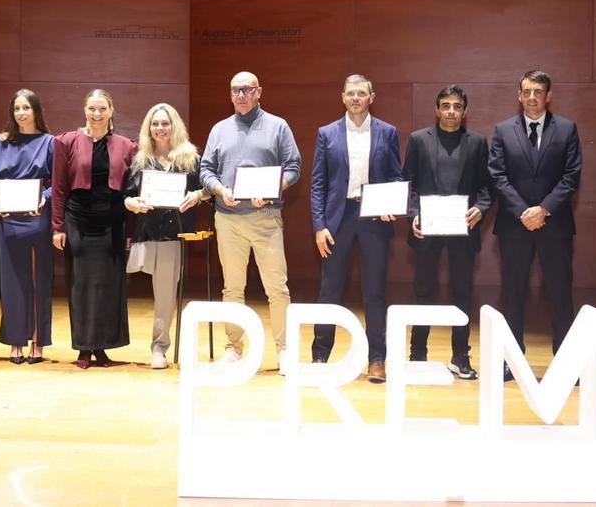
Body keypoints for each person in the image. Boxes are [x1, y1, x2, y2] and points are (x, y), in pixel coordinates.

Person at [199, 71, 301, 374]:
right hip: (228, 220)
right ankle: (233, 348)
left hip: (266, 219)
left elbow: (294, 168)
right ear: (230, 95)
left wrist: (273, 191)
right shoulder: (219, 130)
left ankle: (284, 351)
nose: (241, 95)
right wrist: (219, 190)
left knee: (277, 288)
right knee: (232, 289)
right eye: (235, 90)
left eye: (247, 89)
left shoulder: (277, 126)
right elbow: (206, 171)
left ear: (259, 92)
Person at [488, 70, 582, 381]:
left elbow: (571, 177)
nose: (532, 98)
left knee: (560, 294)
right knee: (512, 293)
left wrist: (543, 210)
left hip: (555, 226)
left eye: (538, 92)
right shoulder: (503, 131)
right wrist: (523, 211)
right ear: (519, 95)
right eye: (526, 91)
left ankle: (566, 364)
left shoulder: (567, 129)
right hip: (515, 227)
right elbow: (497, 176)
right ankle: (512, 362)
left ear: (548, 96)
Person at [310, 75, 402, 383]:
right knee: (329, 290)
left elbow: (395, 176)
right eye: (351, 93)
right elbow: (318, 184)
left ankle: (377, 358)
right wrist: (319, 225)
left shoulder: (388, 132)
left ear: (372, 97)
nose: (356, 98)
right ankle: (320, 355)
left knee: (374, 292)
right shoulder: (327, 133)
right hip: (338, 218)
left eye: (361, 93)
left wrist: (392, 203)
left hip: (373, 217)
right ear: (343, 97)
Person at [403, 85, 493, 379]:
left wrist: (480, 208)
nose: (451, 111)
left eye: (457, 106)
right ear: (437, 109)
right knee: (423, 291)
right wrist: (414, 215)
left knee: (462, 292)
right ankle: (417, 354)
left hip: (463, 229)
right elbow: (410, 184)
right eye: (446, 106)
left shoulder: (478, 143)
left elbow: (486, 188)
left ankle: (460, 356)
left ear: (464, 111)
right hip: (427, 228)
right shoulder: (418, 140)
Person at [51, 89, 137, 369]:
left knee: (108, 286)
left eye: (102, 109)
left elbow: (131, 190)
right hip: (79, 220)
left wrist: (129, 233)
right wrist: (57, 226)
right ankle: (84, 348)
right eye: (92, 109)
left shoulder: (127, 145)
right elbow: (59, 187)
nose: (97, 114)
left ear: (111, 111)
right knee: (81, 284)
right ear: (84, 110)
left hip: (112, 221)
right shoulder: (66, 141)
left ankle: (103, 347)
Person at [124, 103, 208, 369]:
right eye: (155, 124)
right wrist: (131, 203)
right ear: (148, 128)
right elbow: (126, 194)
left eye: (165, 123)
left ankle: (160, 347)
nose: (160, 129)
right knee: (149, 292)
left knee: (165, 296)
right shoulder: (140, 159)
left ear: (175, 126)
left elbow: (206, 190)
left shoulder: (191, 158)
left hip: (175, 234)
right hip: (146, 233)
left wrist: (198, 196)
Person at [0, 89, 55, 365]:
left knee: (38, 280)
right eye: (16, 108)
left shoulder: (50, 142)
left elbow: (57, 184)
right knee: (12, 282)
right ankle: (16, 340)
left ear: (36, 111)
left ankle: (38, 342)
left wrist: (43, 198)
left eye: (26, 108)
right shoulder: (1, 142)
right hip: (8, 219)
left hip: (37, 218)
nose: (21, 113)